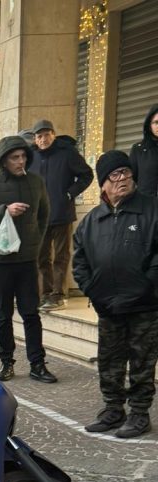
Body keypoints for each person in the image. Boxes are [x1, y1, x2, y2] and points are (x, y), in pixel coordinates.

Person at [72, 151, 158, 439]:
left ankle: (139, 413)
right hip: (107, 305)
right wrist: (92, 290)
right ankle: (113, 409)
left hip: (144, 304)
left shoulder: (151, 210)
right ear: (103, 183)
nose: (122, 179)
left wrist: (148, 283)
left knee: (142, 362)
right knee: (109, 360)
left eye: (126, 172)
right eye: (115, 175)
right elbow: (80, 260)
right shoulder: (92, 220)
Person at [0, 134, 56, 383]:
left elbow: (44, 216)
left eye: (23, 157)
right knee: (3, 314)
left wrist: (35, 244)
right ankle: (6, 362)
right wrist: (4, 211)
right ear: (3, 160)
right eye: (14, 158)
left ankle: (37, 364)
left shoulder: (36, 182)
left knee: (31, 313)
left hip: (27, 260)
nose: (20, 162)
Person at [28, 119, 93, 311]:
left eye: (47, 135)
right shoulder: (31, 157)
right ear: (35, 139)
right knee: (41, 257)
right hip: (39, 217)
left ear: (53, 135)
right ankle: (45, 293)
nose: (43, 139)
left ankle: (57, 295)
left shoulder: (67, 153)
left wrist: (70, 193)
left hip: (61, 213)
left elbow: (86, 175)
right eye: (39, 136)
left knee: (61, 257)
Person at [129, 105, 158, 198]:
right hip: (147, 206)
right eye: (156, 122)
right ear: (149, 126)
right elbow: (131, 180)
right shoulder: (139, 149)